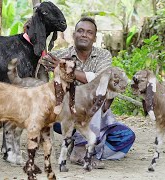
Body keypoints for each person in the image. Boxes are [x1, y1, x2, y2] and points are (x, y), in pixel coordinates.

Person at [41, 17, 136, 168]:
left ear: (94, 38)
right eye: (80, 31)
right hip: (65, 115)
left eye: (89, 32)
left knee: (126, 137)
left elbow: (101, 81)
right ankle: (82, 151)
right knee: (94, 100)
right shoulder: (60, 55)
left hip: (97, 117)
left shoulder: (103, 55)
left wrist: (67, 69)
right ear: (74, 35)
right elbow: (39, 62)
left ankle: (83, 145)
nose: (84, 35)